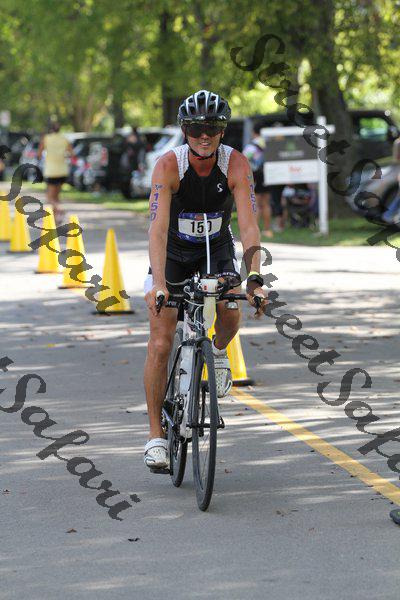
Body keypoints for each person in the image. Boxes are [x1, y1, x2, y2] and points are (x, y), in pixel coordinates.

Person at [143, 89, 268, 469]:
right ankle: (155, 436)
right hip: (173, 255)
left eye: (212, 128)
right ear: (184, 130)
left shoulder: (236, 164)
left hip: (216, 250)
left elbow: (249, 226)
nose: (204, 135)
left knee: (231, 315)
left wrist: (255, 277)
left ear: (222, 131)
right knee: (161, 342)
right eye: (196, 128)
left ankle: (216, 352)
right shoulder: (169, 165)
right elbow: (157, 228)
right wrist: (159, 283)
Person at [38, 122, 73, 223]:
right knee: (56, 196)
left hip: (51, 171)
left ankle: (59, 209)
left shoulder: (46, 139)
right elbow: (71, 153)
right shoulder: (64, 139)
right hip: (63, 170)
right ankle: (55, 218)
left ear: (50, 129)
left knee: (50, 197)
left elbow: (39, 154)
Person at [242, 123, 273, 238]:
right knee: (266, 203)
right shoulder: (269, 143)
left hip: (256, 176)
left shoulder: (252, 146)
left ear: (254, 132)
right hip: (267, 175)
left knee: (256, 204)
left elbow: (244, 159)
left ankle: (255, 229)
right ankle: (267, 229)